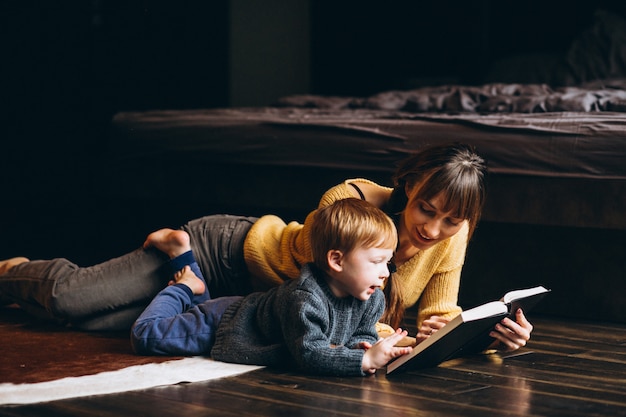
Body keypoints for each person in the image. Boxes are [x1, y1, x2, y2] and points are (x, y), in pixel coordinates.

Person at [0, 143, 533, 351]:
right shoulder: (349, 203)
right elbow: (328, 296)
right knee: (73, 300)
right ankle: (16, 271)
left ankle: (27, 294)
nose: (434, 230)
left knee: (92, 327)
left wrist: (488, 334)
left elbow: (441, 315)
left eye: (451, 220)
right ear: (410, 185)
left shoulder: (451, 236)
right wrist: (386, 334)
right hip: (224, 254)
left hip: (239, 310)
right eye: (426, 210)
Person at [131, 198, 412, 376]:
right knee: (145, 336)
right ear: (336, 260)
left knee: (191, 309)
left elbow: (356, 336)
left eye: (388, 262)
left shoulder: (371, 297)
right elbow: (310, 354)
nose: (385, 273)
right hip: (226, 323)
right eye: (377, 262)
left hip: (245, 309)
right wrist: (362, 361)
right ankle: (183, 286)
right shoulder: (305, 298)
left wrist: (370, 346)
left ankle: (183, 258)